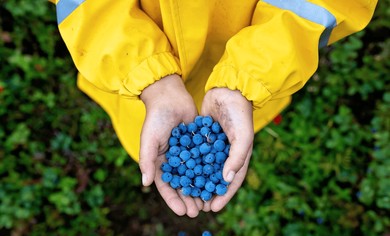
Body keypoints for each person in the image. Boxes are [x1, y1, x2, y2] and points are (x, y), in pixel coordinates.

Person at [51, 0, 377, 217]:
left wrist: (247, 80)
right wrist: (148, 78)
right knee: (147, 132)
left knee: (221, 138)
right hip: (137, 70)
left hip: (254, 64)